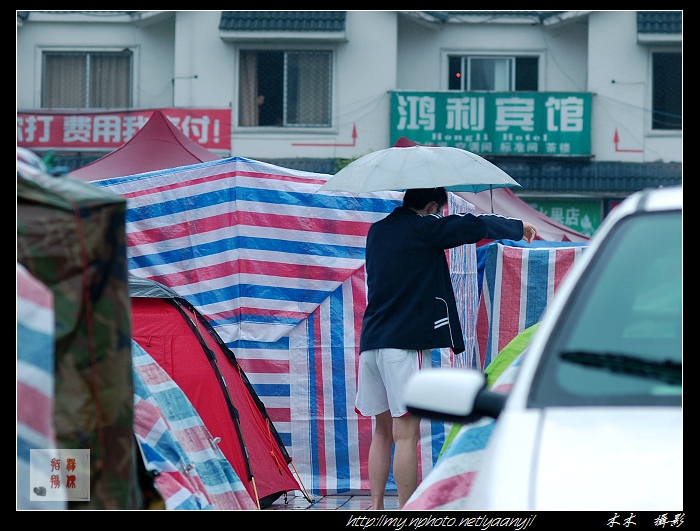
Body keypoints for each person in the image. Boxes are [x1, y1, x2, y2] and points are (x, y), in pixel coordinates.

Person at [355, 187, 538, 509]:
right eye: (438, 212)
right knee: (405, 435)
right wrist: (516, 227)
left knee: (381, 432)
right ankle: (406, 510)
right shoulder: (423, 228)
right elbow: (473, 226)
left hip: (371, 343)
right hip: (404, 344)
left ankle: (376, 505)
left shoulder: (378, 230)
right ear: (431, 207)